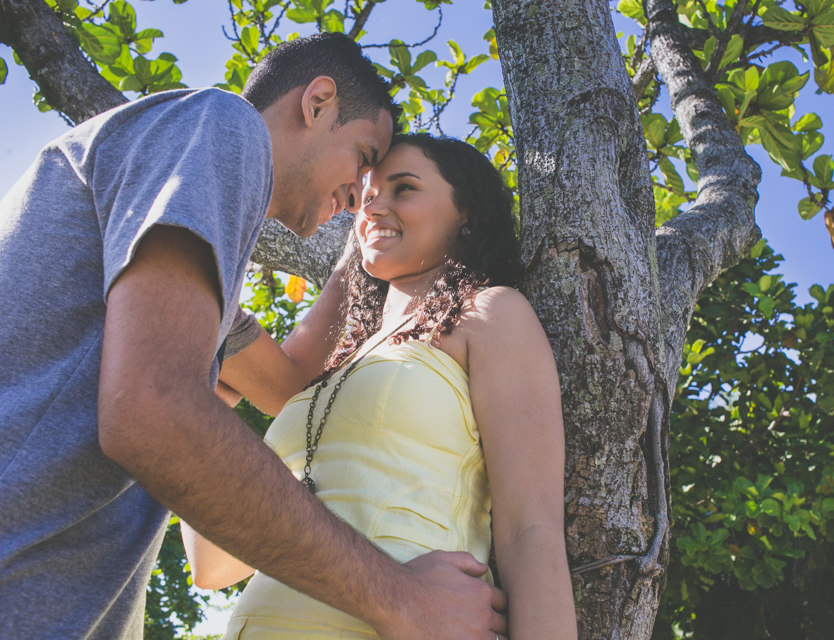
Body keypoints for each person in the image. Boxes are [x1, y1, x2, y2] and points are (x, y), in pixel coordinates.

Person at [0, 34, 505, 640]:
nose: (360, 196)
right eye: (363, 158)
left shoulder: (180, 285)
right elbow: (155, 408)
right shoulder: (220, 123)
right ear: (317, 103)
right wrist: (405, 598)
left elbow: (286, 384)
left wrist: (361, 256)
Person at [183, 133, 579, 639]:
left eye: (404, 189)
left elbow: (532, 531)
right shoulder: (330, 374)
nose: (374, 207)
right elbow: (212, 563)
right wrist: (203, 389)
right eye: (366, 196)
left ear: (467, 214)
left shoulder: (491, 314)